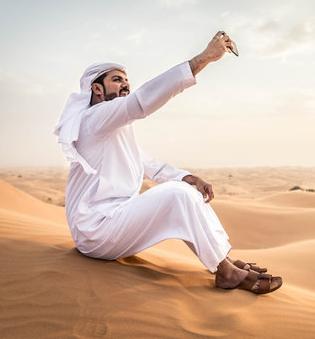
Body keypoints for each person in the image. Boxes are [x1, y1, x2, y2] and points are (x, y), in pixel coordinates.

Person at [54, 31, 282, 294]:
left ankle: (225, 259)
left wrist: (189, 178)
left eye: (127, 80)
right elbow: (141, 102)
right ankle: (226, 272)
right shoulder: (94, 119)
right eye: (117, 80)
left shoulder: (113, 129)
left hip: (113, 221)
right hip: (96, 231)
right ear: (96, 88)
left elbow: (151, 166)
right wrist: (205, 58)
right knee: (176, 195)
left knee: (185, 190)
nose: (125, 85)